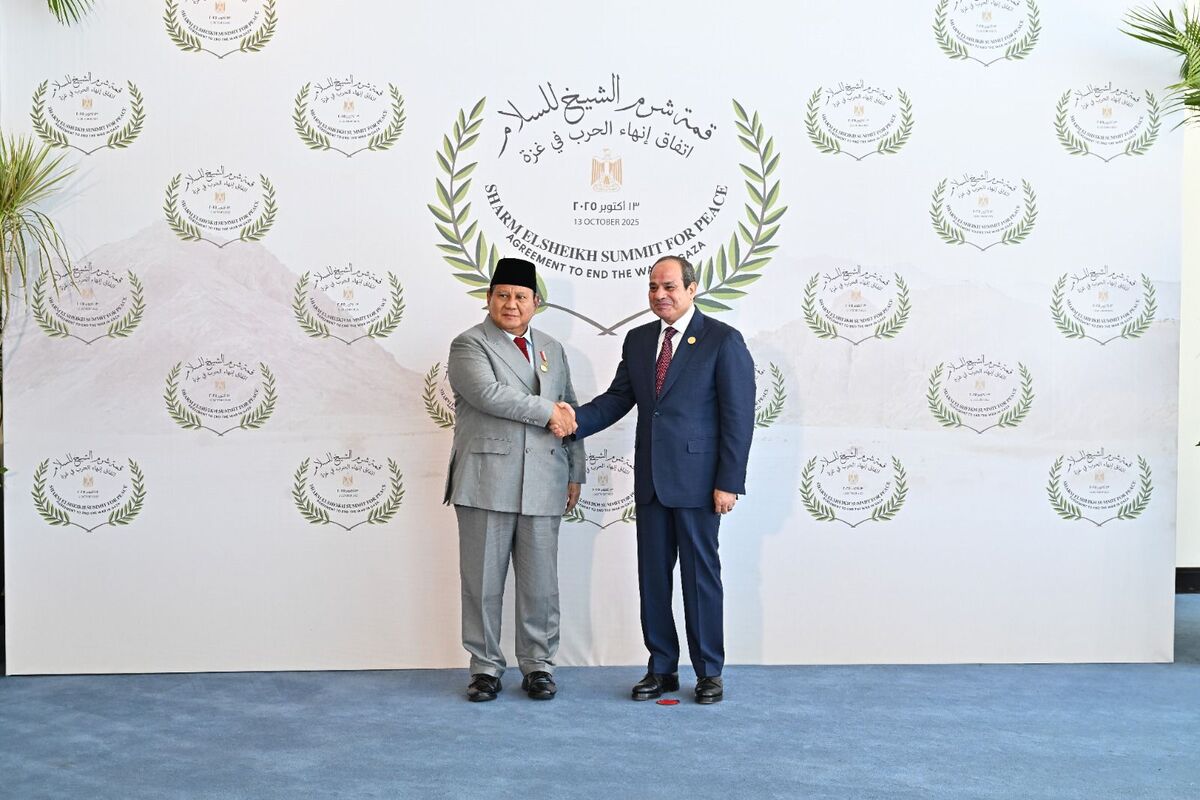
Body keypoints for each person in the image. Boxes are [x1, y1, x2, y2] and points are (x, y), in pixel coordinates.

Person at [555, 255, 754, 704]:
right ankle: (661, 668)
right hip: (650, 483)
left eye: (668, 287)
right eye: (652, 288)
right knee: (654, 580)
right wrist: (574, 421)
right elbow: (618, 398)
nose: (659, 295)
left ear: (691, 288)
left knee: (701, 580)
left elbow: (739, 418)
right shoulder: (640, 340)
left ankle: (708, 673)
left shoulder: (723, 341)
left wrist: (729, 481)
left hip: (702, 485)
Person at [445, 257, 584, 702]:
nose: (511, 303)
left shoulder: (552, 348)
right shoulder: (469, 345)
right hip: (487, 479)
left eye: (520, 296)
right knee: (483, 582)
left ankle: (538, 665)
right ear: (488, 299)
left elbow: (570, 408)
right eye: (502, 294)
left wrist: (575, 470)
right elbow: (490, 395)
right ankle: (485, 666)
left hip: (545, 478)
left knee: (541, 583)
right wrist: (550, 413)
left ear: (535, 303)